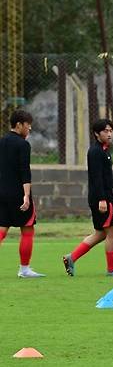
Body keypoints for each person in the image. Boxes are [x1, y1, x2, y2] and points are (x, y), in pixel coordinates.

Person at [63, 119, 113, 277]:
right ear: (96, 133)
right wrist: (102, 199)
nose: (109, 134)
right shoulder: (95, 152)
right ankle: (112, 270)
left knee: (101, 234)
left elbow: (106, 177)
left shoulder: (104, 150)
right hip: (103, 199)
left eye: (111, 131)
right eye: (105, 131)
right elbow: (96, 177)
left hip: (104, 196)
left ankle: (71, 258)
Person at [0, 110, 44, 278]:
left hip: (2, 192)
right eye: (28, 125)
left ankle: (25, 269)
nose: (30, 128)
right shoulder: (23, 144)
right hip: (18, 193)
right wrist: (26, 195)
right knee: (27, 230)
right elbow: (24, 171)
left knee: (2, 229)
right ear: (19, 125)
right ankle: (24, 269)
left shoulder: (2, 141)